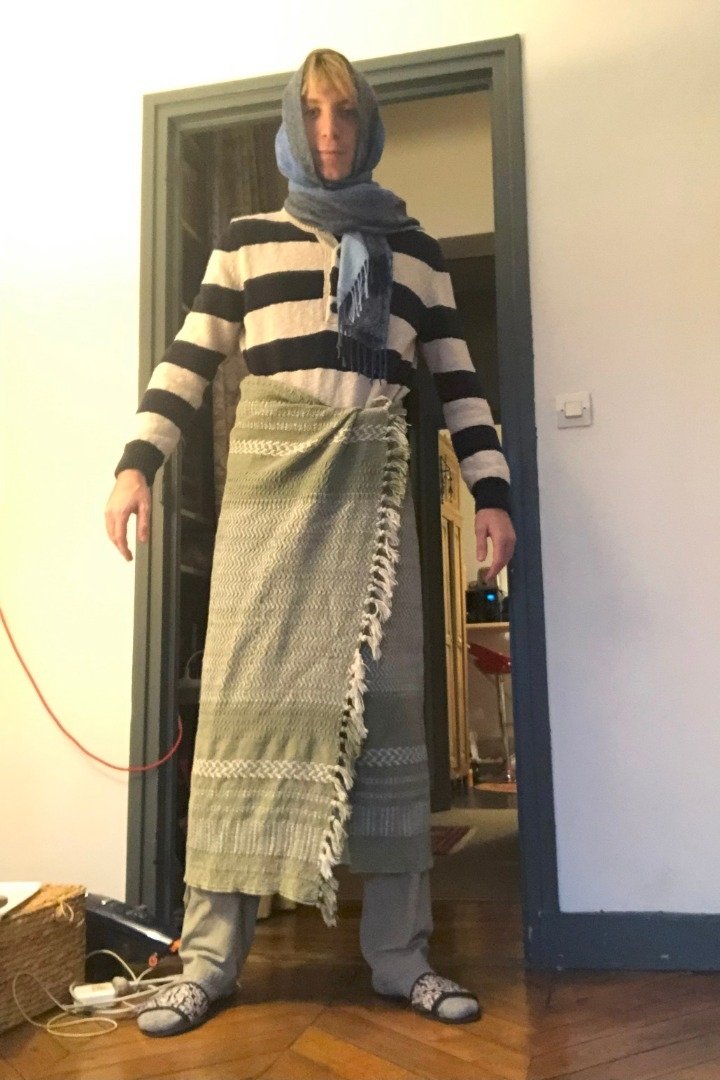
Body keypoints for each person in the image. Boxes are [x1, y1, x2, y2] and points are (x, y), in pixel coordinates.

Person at [105, 48, 515, 1037]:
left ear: (367, 124)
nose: (330, 130)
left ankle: (400, 958)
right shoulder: (246, 244)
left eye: (345, 113)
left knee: (387, 723)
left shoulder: (416, 253)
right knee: (243, 722)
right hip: (266, 511)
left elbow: (459, 383)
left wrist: (492, 495)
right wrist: (135, 463)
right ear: (293, 124)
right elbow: (188, 360)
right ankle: (209, 963)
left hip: (374, 514)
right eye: (313, 112)